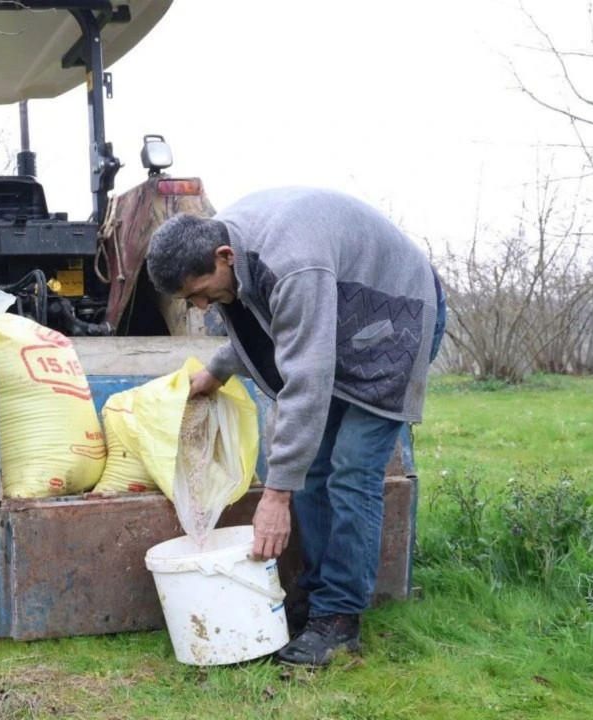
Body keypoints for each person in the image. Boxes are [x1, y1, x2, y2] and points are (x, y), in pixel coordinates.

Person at [145, 187, 447, 667]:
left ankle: (341, 619)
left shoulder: (292, 263)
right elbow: (272, 320)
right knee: (311, 464)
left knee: (350, 468)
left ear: (223, 256)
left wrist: (276, 494)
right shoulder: (231, 247)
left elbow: (304, 378)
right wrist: (220, 367)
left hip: (396, 314)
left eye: (201, 293)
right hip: (340, 314)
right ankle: (319, 594)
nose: (202, 307)